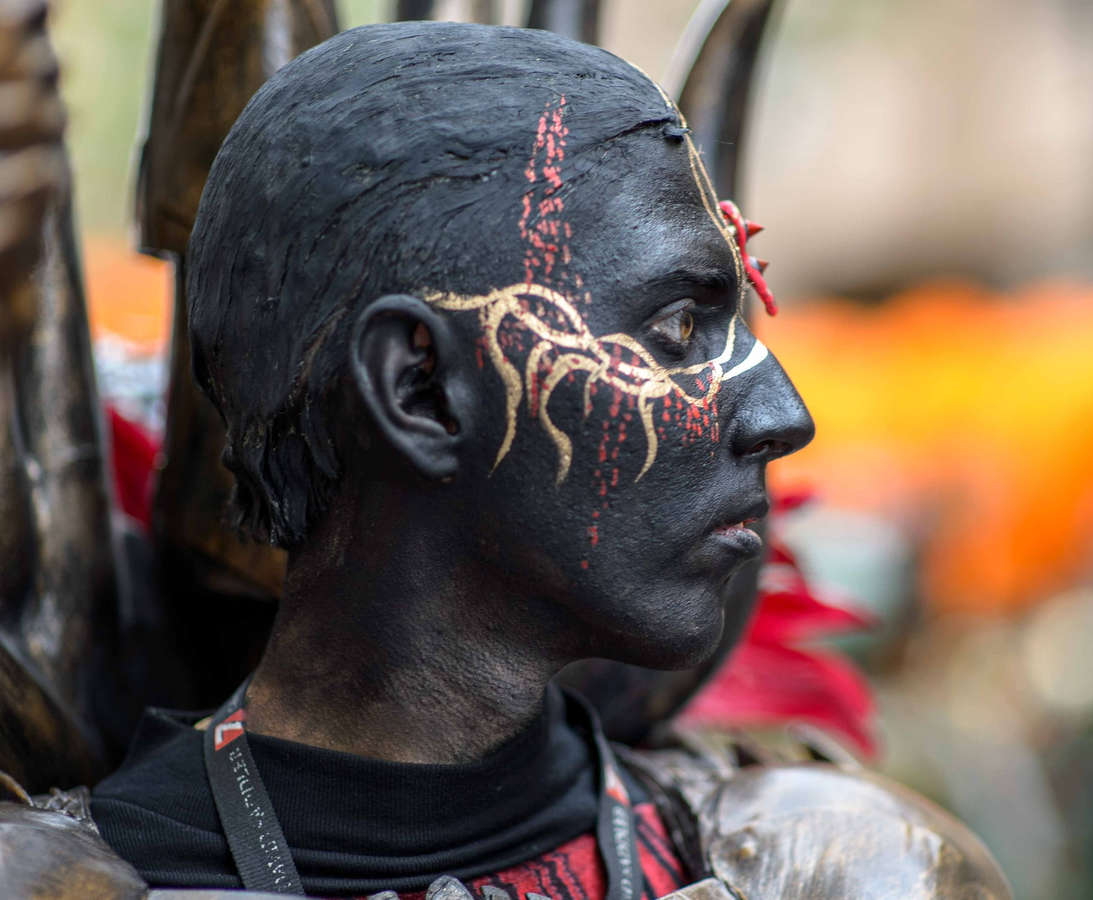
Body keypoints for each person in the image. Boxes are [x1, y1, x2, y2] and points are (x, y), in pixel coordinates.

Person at [89, 20, 812, 899]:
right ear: (418, 390)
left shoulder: (825, 870)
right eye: (679, 327)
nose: (785, 417)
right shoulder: (75, 881)